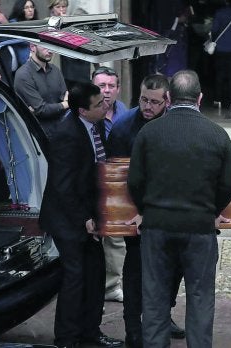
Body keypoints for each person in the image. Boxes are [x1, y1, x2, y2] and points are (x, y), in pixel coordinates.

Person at [127, 70, 231, 347]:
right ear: (200, 98)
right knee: (201, 298)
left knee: (154, 298)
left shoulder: (149, 132)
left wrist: (146, 208)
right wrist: (213, 210)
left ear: (167, 97)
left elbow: (135, 180)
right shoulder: (217, 134)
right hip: (200, 227)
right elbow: (230, 182)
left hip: (156, 226)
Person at [39, 82, 123, 348]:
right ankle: (67, 339)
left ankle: (90, 332)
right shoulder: (66, 134)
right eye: (98, 104)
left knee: (95, 275)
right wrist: (83, 218)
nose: (105, 105)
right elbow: (62, 185)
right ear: (82, 111)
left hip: (89, 214)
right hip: (68, 218)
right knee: (75, 278)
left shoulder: (94, 125)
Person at [107, 74, 185, 347]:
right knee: (135, 268)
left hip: (167, 208)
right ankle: (132, 327)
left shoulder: (175, 124)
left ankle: (164, 314)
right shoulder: (123, 126)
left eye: (154, 102)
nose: (147, 107)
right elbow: (117, 177)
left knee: (174, 265)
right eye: (143, 100)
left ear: (167, 101)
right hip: (134, 210)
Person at [91, 66, 128, 303]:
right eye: (101, 86)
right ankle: (92, 290)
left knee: (116, 236)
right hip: (91, 182)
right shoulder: (83, 113)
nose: (106, 91)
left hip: (117, 183)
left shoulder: (124, 111)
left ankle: (112, 285)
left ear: (117, 89)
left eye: (110, 86)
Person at [14, 43, 68, 139]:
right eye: (45, 46)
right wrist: (64, 104)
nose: (50, 51)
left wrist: (63, 104)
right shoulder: (23, 75)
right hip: (41, 136)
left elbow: (64, 96)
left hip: (63, 129)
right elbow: (41, 110)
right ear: (32, 47)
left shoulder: (55, 70)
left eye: (52, 46)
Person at [48, 0, 92, 89]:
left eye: (64, 7)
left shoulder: (72, 21)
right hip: (61, 66)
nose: (61, 10)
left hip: (79, 66)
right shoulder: (48, 22)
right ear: (52, 9)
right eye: (58, 7)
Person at [9, 0, 39, 66]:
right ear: (20, 9)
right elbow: (23, 39)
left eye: (32, 7)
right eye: (27, 7)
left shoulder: (36, 23)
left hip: (36, 58)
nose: (30, 10)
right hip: (22, 62)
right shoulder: (14, 23)